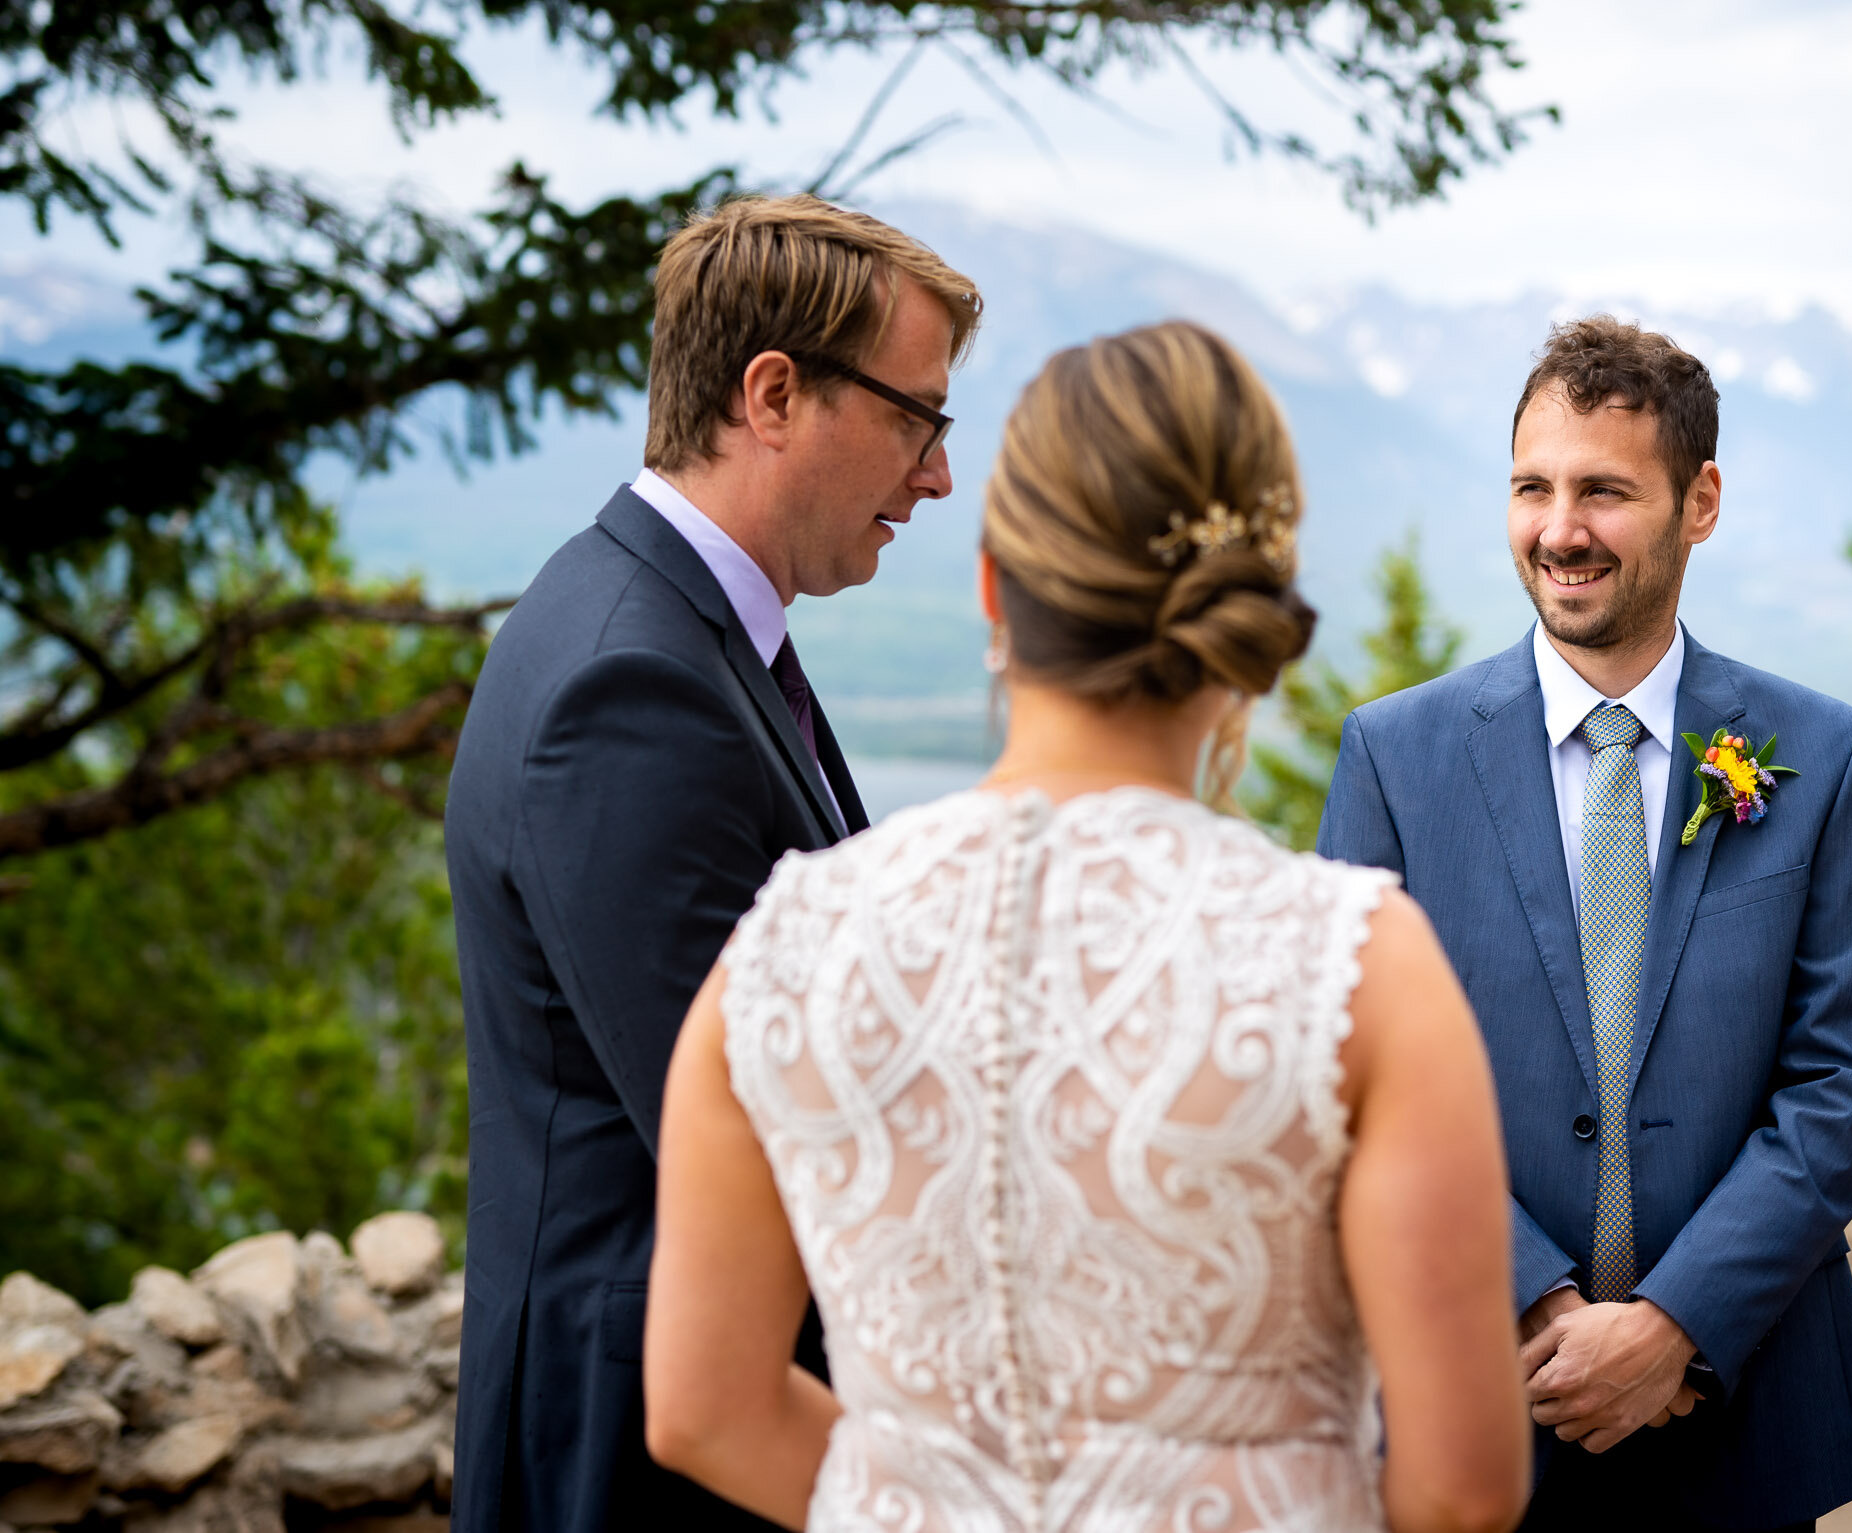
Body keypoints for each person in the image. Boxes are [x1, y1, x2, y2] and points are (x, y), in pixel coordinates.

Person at [642, 321, 1531, 1533]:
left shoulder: (783, 947)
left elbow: (701, 1407)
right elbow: (1463, 1489)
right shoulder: (1352, 963)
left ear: (993, 587)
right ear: (1249, 613)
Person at [1318, 316, 1852, 1531]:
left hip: (1738, 1414)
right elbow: (1345, 1066)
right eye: (1531, 488)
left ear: (1698, 502)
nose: (1558, 530)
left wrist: (1674, 1325)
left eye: (1603, 491)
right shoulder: (1395, 756)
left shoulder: (1822, 754)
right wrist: (1536, 1303)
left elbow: (1846, 1075)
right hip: (1470, 1394)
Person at [443, 194, 982, 1533]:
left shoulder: (675, 629)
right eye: (920, 418)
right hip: (636, 1461)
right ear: (775, 393)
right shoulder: (628, 681)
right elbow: (764, 1136)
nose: (936, 477)